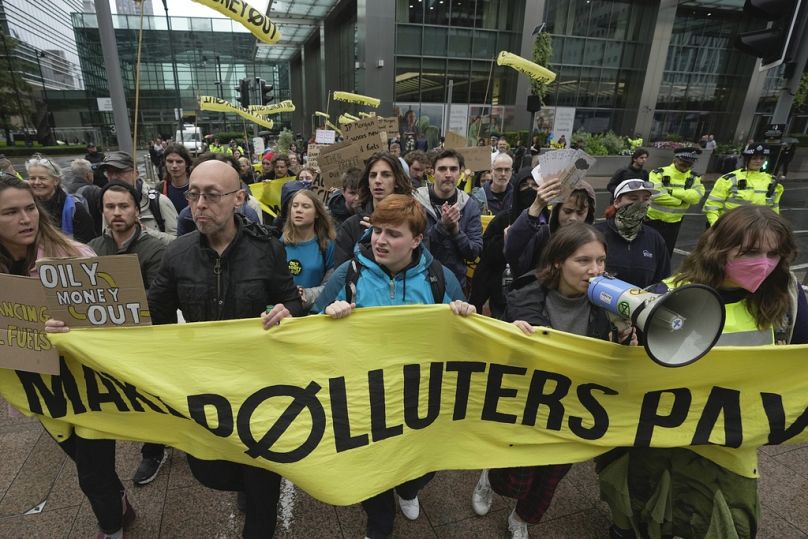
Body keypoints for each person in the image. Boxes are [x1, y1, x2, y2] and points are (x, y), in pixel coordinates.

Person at [600, 205, 808, 539]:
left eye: (773, 254)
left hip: (729, 447)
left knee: (726, 523)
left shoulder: (787, 301)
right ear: (719, 249)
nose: (763, 263)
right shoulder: (664, 296)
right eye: (750, 252)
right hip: (660, 437)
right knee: (643, 511)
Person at [147, 158, 304, 539]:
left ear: (238, 199)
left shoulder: (267, 249)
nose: (199, 205)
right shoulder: (177, 254)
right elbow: (153, 318)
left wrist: (289, 311)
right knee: (210, 471)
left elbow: (291, 300)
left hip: (260, 388)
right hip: (206, 386)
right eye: (193, 195)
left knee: (262, 487)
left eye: (211, 195)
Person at [315, 194, 475, 539]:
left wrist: (465, 316)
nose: (380, 240)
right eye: (377, 230)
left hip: (420, 400)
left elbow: (467, 338)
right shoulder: (348, 274)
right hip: (364, 400)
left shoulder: (439, 278)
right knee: (372, 477)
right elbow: (310, 327)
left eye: (393, 234)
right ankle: (379, 525)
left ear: (416, 240)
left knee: (422, 467)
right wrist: (328, 315)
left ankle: (409, 488)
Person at [472, 223, 635, 539]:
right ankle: (490, 476)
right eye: (583, 260)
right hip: (528, 404)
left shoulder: (609, 304)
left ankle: (521, 518)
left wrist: (625, 339)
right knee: (514, 480)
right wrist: (511, 335)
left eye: (600, 260)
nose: (595, 270)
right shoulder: (525, 296)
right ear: (558, 261)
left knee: (549, 479)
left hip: (572, 409)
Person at [2, 175, 133, 539]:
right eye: (10, 212)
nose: (25, 219)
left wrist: (72, 329)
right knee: (86, 461)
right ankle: (120, 502)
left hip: (89, 385)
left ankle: (111, 528)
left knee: (91, 473)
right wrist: (30, 332)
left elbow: (114, 324)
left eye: (29, 208)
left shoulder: (74, 256)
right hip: (37, 388)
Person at [87, 182, 169, 488]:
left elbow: (158, 300)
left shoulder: (155, 249)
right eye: (110, 207)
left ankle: (154, 450)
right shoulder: (93, 248)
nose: (117, 213)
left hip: (147, 341)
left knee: (152, 396)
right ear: (102, 211)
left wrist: (111, 302)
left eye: (124, 206)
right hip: (110, 344)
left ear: (137, 210)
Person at [468, 167, 544, 318]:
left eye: (534, 185)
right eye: (524, 185)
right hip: (502, 296)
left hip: (539, 295)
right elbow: (486, 254)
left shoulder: (548, 220)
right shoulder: (503, 219)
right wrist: (506, 241)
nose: (530, 189)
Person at [413, 149, 483, 288]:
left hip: (455, 284)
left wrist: (456, 232)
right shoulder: (415, 201)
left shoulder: (470, 205)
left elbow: (474, 253)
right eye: (442, 169)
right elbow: (414, 247)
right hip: (420, 282)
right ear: (432, 172)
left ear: (460, 173)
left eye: (453, 169)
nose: (448, 174)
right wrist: (442, 226)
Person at [504, 178, 596, 279]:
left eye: (580, 213)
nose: (573, 218)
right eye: (567, 211)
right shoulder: (542, 235)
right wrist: (537, 205)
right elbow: (512, 251)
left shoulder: (594, 243)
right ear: (557, 210)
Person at [333, 152, 413, 267]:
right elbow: (343, 272)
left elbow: (419, 262)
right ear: (368, 183)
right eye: (373, 175)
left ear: (396, 181)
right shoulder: (351, 226)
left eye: (386, 175)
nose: (378, 180)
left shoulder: (412, 220)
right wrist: (369, 240)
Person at [595, 179, 670, 288]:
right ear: (617, 202)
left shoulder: (655, 239)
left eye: (646, 199)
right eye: (633, 198)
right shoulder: (596, 234)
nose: (640, 203)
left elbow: (662, 281)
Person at [98, 151, 178, 243]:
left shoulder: (158, 201)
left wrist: (144, 231)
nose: (114, 177)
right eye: (109, 173)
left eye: (119, 171)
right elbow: (106, 238)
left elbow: (178, 242)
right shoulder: (107, 204)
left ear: (135, 174)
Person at [703, 143, 783, 227]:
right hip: (730, 228)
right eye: (754, 158)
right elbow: (712, 206)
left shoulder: (772, 182)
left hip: (757, 230)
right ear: (746, 159)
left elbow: (774, 210)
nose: (758, 161)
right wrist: (717, 227)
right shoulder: (729, 179)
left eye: (762, 158)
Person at [281, 189, 336, 309]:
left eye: (305, 206)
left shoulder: (327, 244)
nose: (298, 210)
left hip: (316, 312)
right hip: (286, 312)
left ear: (317, 213)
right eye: (295, 206)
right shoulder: (281, 244)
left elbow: (331, 285)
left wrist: (306, 294)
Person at [645, 146, 705, 256]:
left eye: (689, 164)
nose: (686, 166)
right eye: (683, 162)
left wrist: (671, 192)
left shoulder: (694, 178)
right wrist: (680, 201)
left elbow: (696, 197)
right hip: (653, 220)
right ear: (675, 160)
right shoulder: (659, 173)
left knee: (666, 254)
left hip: (674, 223)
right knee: (647, 251)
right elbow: (656, 195)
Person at [25, 153, 95, 243]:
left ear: (56, 181)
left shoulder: (74, 208)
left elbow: (88, 243)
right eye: (32, 178)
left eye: (42, 178)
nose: (37, 182)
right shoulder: (25, 206)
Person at [155, 143, 192, 213]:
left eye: (179, 162)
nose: (174, 165)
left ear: (186, 164)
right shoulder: (160, 188)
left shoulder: (197, 186)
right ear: (165, 163)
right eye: (170, 161)